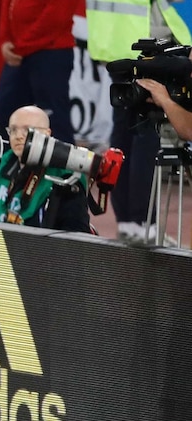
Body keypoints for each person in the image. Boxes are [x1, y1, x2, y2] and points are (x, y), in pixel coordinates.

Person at [86, 0, 191, 243]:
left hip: (116, 42)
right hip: (149, 44)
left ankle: (129, 222)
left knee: (125, 133)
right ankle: (145, 224)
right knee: (146, 130)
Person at [0, 0, 78, 144]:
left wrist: (19, 46)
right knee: (3, 117)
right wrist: (5, 39)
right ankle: (4, 163)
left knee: (53, 120)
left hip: (50, 52)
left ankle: (61, 167)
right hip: (18, 52)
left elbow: (56, 16)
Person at [0, 105, 90, 232]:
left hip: (44, 249)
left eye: (27, 130)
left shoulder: (65, 176)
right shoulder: (3, 163)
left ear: (47, 134)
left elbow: (76, 235)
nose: (18, 136)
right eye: (13, 130)